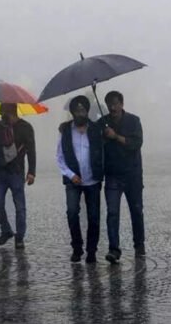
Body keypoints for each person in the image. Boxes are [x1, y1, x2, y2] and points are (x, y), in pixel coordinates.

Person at [97, 90, 145, 264]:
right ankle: (114, 249)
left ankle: (139, 245)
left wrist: (115, 136)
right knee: (112, 213)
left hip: (133, 175)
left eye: (116, 104)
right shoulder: (102, 124)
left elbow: (136, 143)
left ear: (122, 104)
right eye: (110, 104)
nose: (113, 108)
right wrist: (66, 126)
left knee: (136, 211)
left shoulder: (134, 121)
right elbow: (90, 136)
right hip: (112, 176)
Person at [56, 96, 105, 264]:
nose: (80, 113)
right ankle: (77, 248)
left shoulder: (96, 129)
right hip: (73, 181)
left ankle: (92, 250)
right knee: (72, 213)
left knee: (94, 217)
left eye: (83, 110)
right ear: (72, 113)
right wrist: (71, 175)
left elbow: (104, 151)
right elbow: (60, 157)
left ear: (87, 111)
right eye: (77, 111)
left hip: (93, 180)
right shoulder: (65, 131)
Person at [0, 103, 36, 249]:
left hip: (16, 172)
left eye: (4, 113)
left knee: (20, 207)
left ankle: (20, 237)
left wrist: (31, 172)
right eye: (0, 113)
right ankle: (6, 230)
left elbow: (31, 149)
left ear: (12, 112)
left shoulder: (25, 127)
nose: (1, 116)